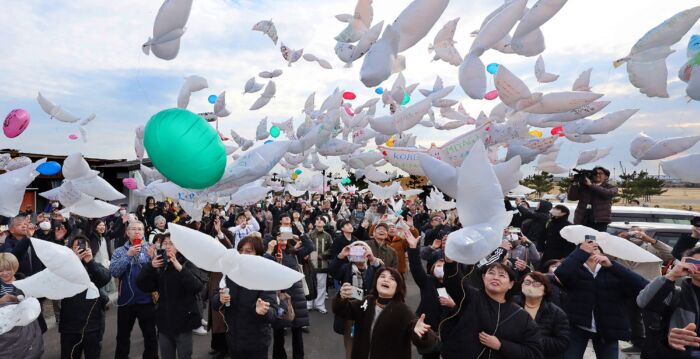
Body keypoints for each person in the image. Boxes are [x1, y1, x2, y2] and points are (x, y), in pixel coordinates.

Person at [554, 238, 648, 359]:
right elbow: (560, 274)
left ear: (602, 253)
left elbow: (642, 286)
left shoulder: (613, 270)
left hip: (608, 329)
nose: (592, 251)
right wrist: (580, 253)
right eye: (587, 249)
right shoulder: (575, 270)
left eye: (595, 248)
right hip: (577, 327)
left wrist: (612, 266)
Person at [439, 260, 543, 359]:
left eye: (502, 275)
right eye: (491, 273)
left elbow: (534, 353)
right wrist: (450, 263)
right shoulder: (471, 297)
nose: (495, 278)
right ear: (484, 277)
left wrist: (501, 345)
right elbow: (454, 281)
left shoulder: (521, 316)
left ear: (511, 284)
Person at [333, 267, 439, 359]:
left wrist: (422, 332)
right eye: (382, 276)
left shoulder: (402, 310)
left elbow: (420, 336)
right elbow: (343, 310)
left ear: (397, 287)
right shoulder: (367, 301)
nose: (386, 280)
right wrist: (341, 298)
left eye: (392, 279)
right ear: (376, 282)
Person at [136, 233, 204, 359]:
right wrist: (150, 266)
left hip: (184, 322)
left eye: (171, 243)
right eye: (165, 243)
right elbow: (143, 285)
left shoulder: (187, 263)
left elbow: (198, 286)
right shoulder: (159, 265)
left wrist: (179, 267)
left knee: (185, 355)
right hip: (164, 322)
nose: (167, 246)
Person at [211, 236, 279, 358]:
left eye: (248, 251)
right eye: (241, 250)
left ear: (258, 254)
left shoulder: (265, 277)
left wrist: (263, 310)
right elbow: (215, 300)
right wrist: (219, 299)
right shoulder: (230, 274)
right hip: (233, 341)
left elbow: (273, 313)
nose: (243, 254)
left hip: (257, 344)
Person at [615, 227, 674, 355]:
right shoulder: (620, 247)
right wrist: (617, 240)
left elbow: (671, 255)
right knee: (632, 317)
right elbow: (605, 256)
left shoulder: (652, 248)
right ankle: (638, 343)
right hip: (629, 287)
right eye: (631, 232)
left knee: (651, 319)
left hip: (650, 287)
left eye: (638, 231)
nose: (634, 234)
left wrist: (651, 240)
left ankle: (654, 345)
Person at [637, 247, 700, 357]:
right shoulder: (676, 293)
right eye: (696, 264)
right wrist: (672, 275)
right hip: (676, 353)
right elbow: (643, 302)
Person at [109, 220, 158, 359]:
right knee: (122, 337)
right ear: (127, 232)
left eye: (140, 229)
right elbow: (114, 272)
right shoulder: (120, 251)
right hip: (126, 302)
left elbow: (158, 274)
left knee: (150, 336)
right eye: (134, 229)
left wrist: (152, 258)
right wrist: (128, 255)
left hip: (147, 300)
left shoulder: (149, 248)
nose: (137, 231)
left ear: (144, 232)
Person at [266, 220, 314, 359]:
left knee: (297, 330)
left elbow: (310, 246)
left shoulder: (293, 252)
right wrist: (271, 245)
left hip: (296, 296)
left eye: (286, 235)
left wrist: (300, 234)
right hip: (279, 295)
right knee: (279, 331)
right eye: (280, 235)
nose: (283, 238)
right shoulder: (272, 254)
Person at [59, 235, 111, 359]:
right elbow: (58, 283)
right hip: (69, 326)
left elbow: (104, 279)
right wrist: (74, 261)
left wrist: (91, 262)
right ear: (70, 249)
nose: (82, 249)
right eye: (77, 246)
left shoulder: (94, 265)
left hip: (93, 324)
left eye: (84, 246)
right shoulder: (63, 267)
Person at [405, 229, 453, 359]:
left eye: (444, 264)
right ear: (432, 267)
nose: (441, 267)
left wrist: (453, 304)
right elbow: (415, 267)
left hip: (450, 332)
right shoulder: (427, 281)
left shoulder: (456, 284)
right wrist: (413, 248)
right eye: (439, 264)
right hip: (429, 331)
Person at [515, 272, 570, 359]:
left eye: (537, 283)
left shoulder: (556, 313)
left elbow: (562, 342)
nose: (531, 285)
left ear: (545, 290)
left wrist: (533, 339)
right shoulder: (511, 305)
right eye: (527, 282)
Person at [567, 166, 618, 231]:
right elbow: (572, 197)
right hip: (582, 219)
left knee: (597, 240)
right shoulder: (584, 186)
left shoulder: (611, 187)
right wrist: (574, 184)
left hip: (600, 222)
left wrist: (591, 185)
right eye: (595, 173)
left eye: (600, 173)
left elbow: (607, 194)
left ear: (606, 177)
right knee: (581, 240)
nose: (597, 175)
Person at [307, 217, 333, 313]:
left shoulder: (327, 236)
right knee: (310, 284)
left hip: (323, 264)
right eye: (317, 219)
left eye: (321, 220)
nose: (318, 220)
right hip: (310, 264)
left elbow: (331, 248)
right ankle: (309, 304)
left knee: (321, 285)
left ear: (324, 223)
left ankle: (320, 305)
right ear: (314, 223)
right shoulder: (309, 234)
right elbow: (305, 246)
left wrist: (322, 255)